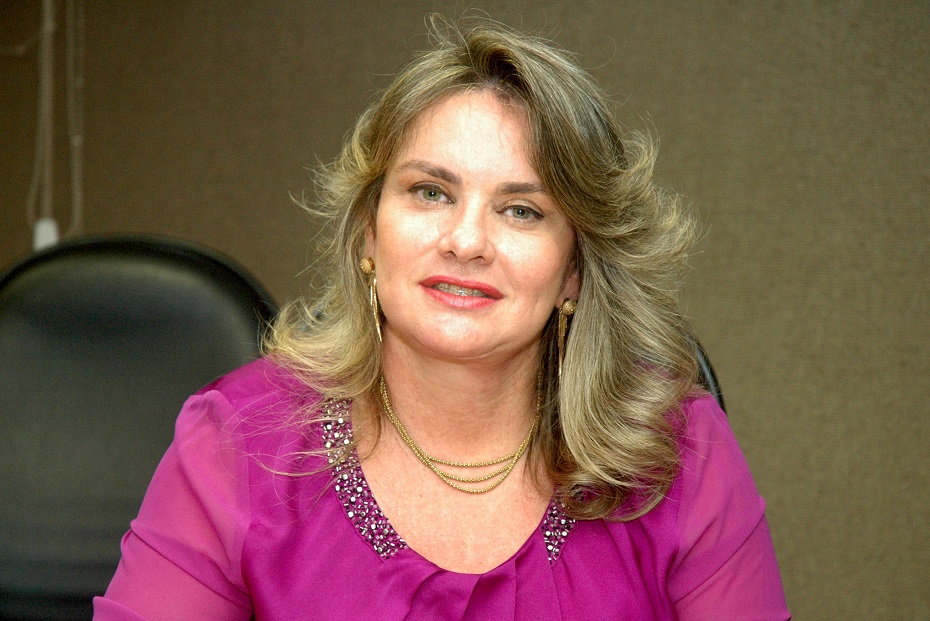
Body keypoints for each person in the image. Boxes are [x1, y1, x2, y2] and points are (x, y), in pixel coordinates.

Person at [94, 16, 790, 621]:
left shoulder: (683, 455)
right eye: (430, 192)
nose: (466, 241)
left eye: (521, 210)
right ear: (368, 234)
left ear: (574, 269)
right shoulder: (238, 443)